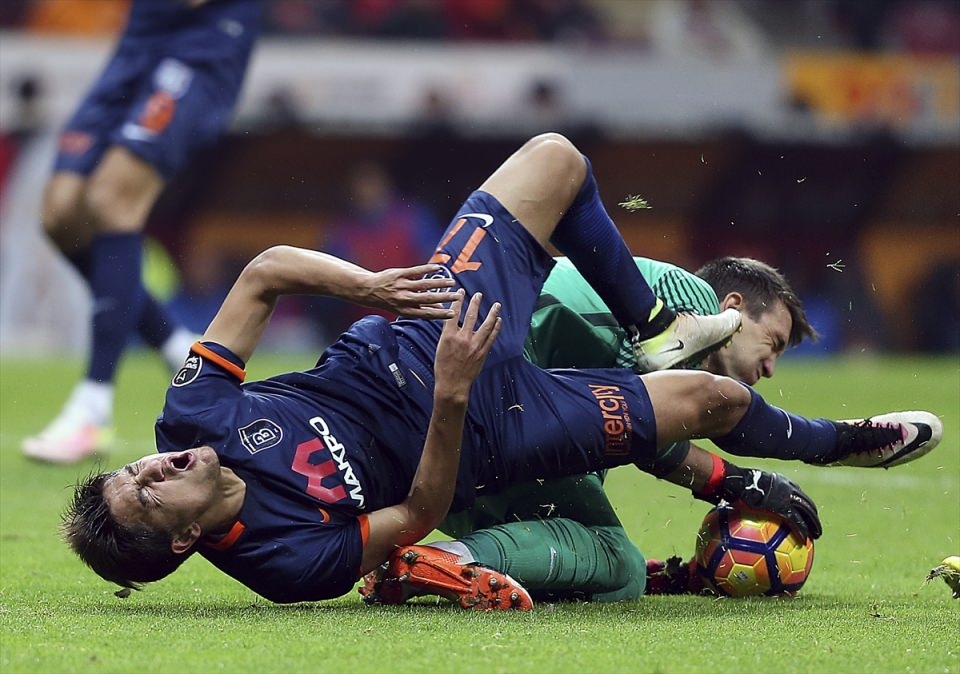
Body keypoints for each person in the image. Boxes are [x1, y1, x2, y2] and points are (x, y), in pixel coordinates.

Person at [62, 133, 941, 609]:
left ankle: (653, 324)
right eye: (150, 490)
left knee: (555, 159)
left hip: (415, 332)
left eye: (136, 466)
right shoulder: (286, 564)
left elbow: (262, 274)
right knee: (714, 396)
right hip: (484, 430)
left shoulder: (191, 421)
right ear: (182, 540)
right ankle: (834, 446)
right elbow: (414, 513)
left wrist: (374, 289)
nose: (158, 462)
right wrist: (450, 402)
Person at [362, 255, 828, 607]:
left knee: (568, 536)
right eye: (774, 344)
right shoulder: (680, 316)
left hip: (421, 403)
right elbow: (641, 432)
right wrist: (736, 479)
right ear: (732, 309)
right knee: (616, 562)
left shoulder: (634, 294)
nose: (769, 368)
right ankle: (450, 557)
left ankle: (431, 559)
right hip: (477, 408)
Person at [22, 0, 265, 464]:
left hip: (201, 44)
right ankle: (175, 343)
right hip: (140, 40)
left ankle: (91, 407)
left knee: (112, 197)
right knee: (60, 214)